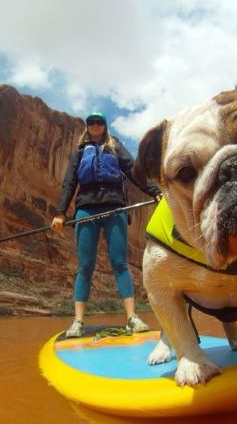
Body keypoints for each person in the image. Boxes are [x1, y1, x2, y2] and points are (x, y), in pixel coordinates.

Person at [51, 110, 162, 338]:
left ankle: (132, 318)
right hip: (86, 209)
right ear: (87, 126)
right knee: (85, 267)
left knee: (120, 263)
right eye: (90, 122)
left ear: (104, 125)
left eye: (99, 122)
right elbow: (69, 183)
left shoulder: (114, 146)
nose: (95, 125)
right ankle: (78, 322)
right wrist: (61, 212)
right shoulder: (80, 152)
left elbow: (133, 171)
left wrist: (155, 192)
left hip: (114, 208)